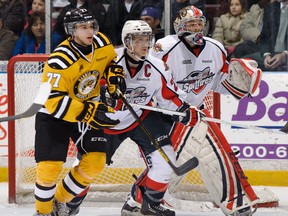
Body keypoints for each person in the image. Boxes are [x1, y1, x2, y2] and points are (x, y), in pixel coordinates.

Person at [65, 20, 203, 216]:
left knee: (166, 160)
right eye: (138, 40)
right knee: (86, 167)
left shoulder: (157, 66)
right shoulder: (106, 59)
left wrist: (185, 111)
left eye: (147, 39)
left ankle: (151, 203)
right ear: (127, 41)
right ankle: (68, 205)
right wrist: (100, 97)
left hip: (140, 116)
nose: (145, 44)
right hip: (106, 121)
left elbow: (169, 96)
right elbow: (84, 86)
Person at [150, 5, 262, 216]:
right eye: (190, 24)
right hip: (167, 116)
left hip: (196, 114)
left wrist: (239, 82)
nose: (196, 28)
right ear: (179, 27)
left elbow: (218, 82)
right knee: (171, 161)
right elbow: (150, 79)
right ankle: (143, 198)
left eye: (199, 23)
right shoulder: (163, 48)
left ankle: (235, 202)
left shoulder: (215, 48)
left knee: (218, 153)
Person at [32, 8, 126, 216]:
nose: (90, 30)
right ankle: (43, 211)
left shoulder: (101, 42)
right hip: (55, 115)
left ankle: (59, 201)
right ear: (71, 31)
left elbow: (110, 62)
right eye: (83, 27)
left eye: (91, 25)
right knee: (50, 168)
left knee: (96, 161)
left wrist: (114, 76)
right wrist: (88, 112)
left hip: (86, 109)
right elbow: (53, 99)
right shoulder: (60, 60)